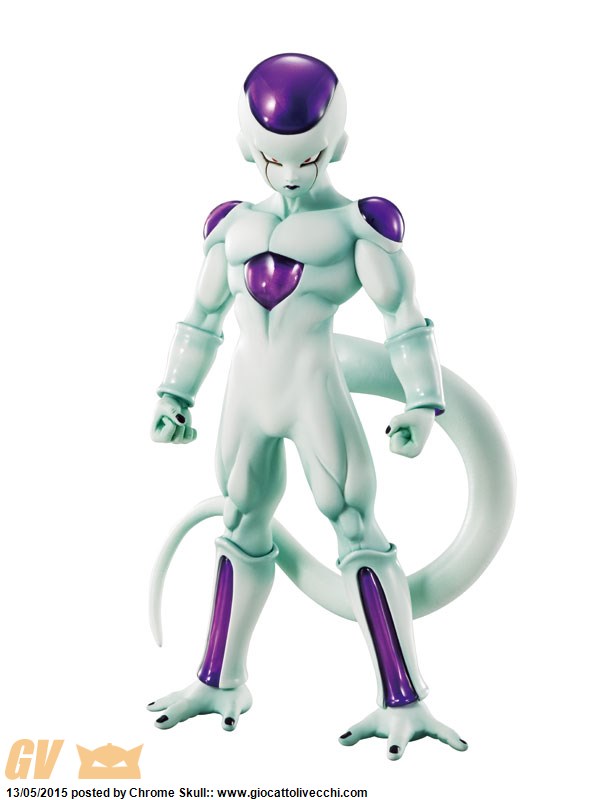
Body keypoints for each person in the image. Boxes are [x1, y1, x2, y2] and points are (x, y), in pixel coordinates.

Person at [148, 53, 467, 761]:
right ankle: (219, 680)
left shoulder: (357, 227)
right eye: (273, 158)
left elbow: (403, 317)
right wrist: (175, 392)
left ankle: (403, 697)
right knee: (239, 522)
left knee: (355, 526)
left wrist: (423, 402)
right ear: (248, 148)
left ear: (336, 144)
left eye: (307, 157)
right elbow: (200, 317)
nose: (290, 173)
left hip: (313, 391)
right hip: (247, 394)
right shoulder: (231, 227)